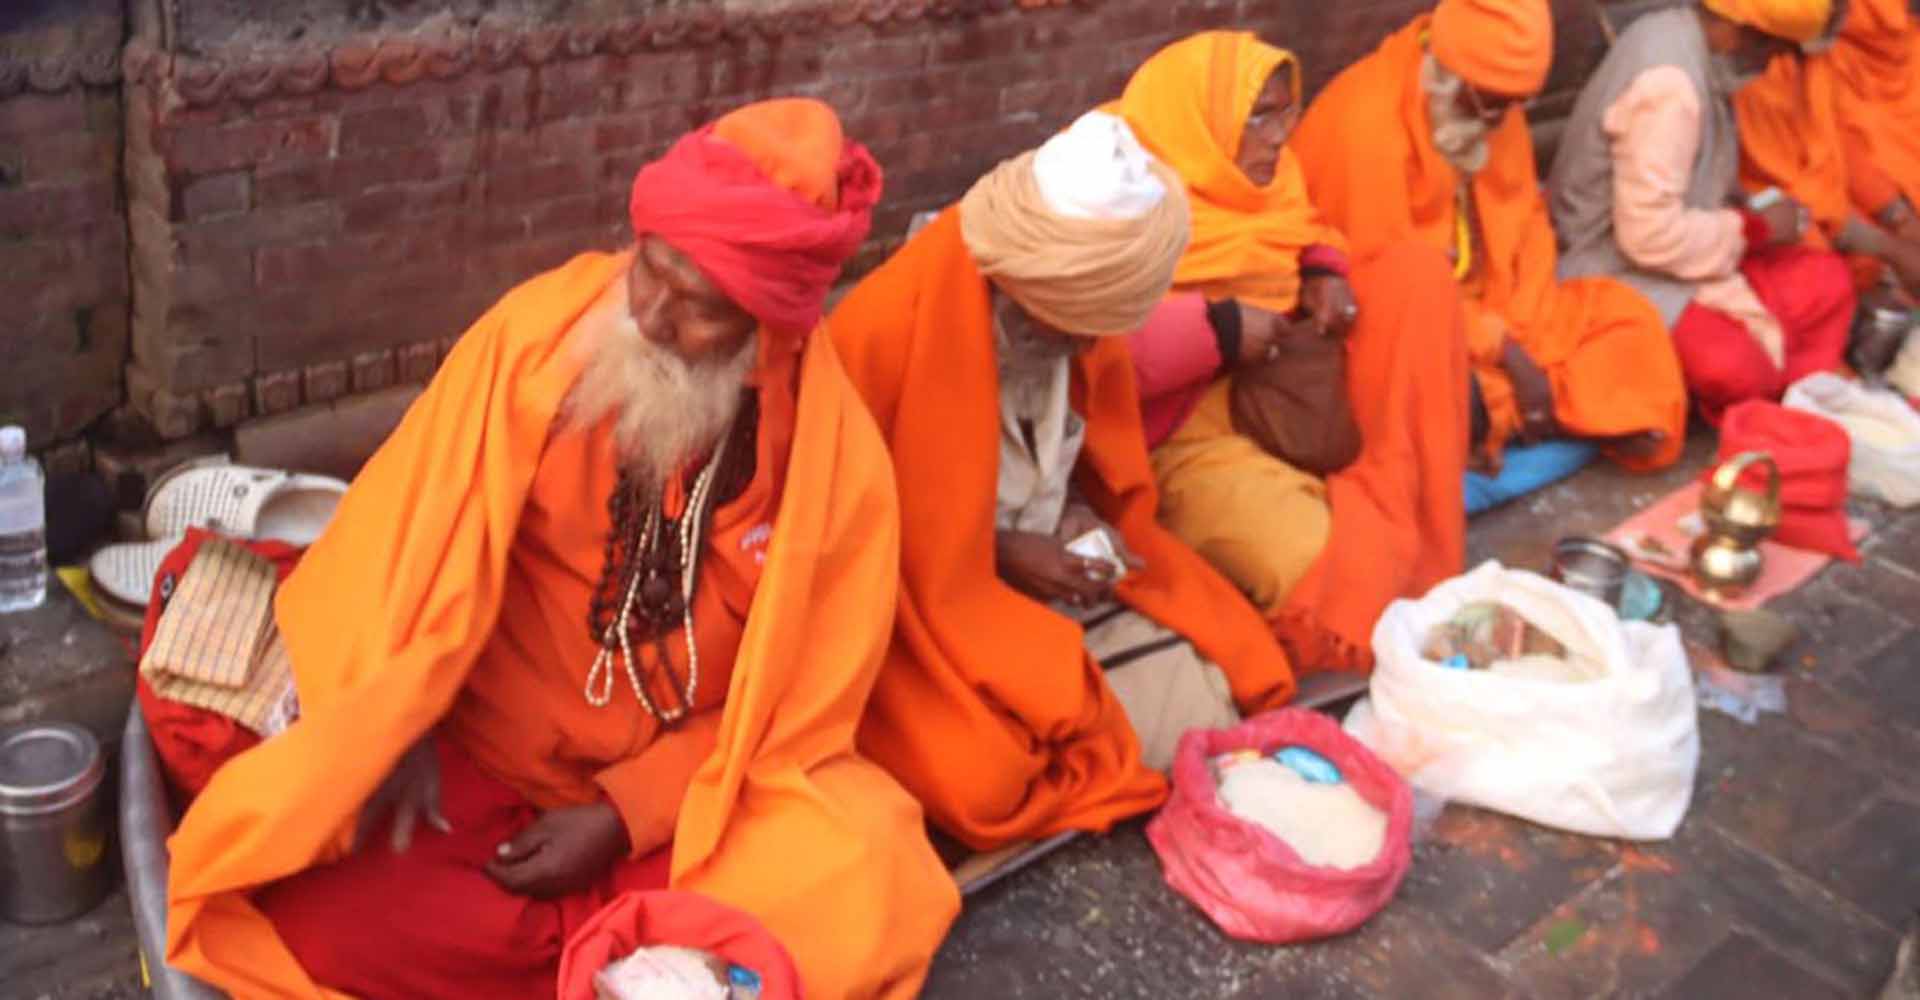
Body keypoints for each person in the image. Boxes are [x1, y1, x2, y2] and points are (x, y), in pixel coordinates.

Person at [159, 99, 958, 1000]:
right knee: (311, 898)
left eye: (698, 307)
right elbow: (399, 548)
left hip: (688, 802)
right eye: (649, 269)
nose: (651, 316)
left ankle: (602, 946)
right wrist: (398, 720)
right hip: (472, 760)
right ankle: (628, 955)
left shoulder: (829, 459)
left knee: (868, 876)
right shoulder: (535, 343)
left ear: (769, 326)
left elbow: (795, 714)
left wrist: (625, 814)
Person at [829, 111, 1297, 851]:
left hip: (1041, 584)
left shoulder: (1075, 322)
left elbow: (1089, 455)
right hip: (916, 620)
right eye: (1071, 327)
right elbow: (846, 546)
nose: (1087, 346)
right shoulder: (877, 334)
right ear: (1018, 287)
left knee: (1231, 673)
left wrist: (1077, 512)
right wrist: (1000, 554)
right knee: (981, 781)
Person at [1111, 30, 1471, 675]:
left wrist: (1324, 269)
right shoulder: (1122, 196)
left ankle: (1396, 491)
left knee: (1416, 274)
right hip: (1182, 437)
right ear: (1201, 121)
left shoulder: (1270, 177)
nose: (1280, 137)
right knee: (1323, 565)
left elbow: (1304, 228)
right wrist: (1216, 329)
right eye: (1259, 118)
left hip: (1279, 390)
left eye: (1286, 113)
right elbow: (1099, 351)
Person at [1292, 0, 1689, 474]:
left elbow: (1528, 227)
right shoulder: (1365, 125)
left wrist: (1523, 333)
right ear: (1450, 76)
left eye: (1515, 105)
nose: (1502, 121)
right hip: (1417, 328)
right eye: (1492, 104)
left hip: (1502, 313)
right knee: (1447, 396)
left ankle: (1523, 414)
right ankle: (1541, 413)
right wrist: (1509, 356)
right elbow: (1381, 288)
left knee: (1630, 322)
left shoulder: (1488, 103)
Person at [1548, 0, 1856, 424]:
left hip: (1682, 256)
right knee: (1732, 367)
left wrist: (1749, 213)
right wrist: (1754, 229)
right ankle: (1774, 397)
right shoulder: (1670, 87)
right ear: (1738, 31)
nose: (1769, 65)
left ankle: (1791, 398)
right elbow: (1648, 237)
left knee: (1827, 281)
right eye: (1770, 50)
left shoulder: (1685, 39)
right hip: (1612, 268)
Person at [1736, 0, 1920, 293]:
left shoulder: (1815, 52)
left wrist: (1898, 217)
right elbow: (1791, 189)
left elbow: (1836, 146)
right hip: (1780, 217)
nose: (1847, 10)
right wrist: (1892, 247)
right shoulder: (1758, 75)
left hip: (1837, 209)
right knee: (1828, 277)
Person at [1830, 0, 1920, 242]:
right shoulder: (1815, 48)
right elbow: (1835, 143)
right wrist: (1895, 213)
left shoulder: (1911, 35)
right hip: (1872, 212)